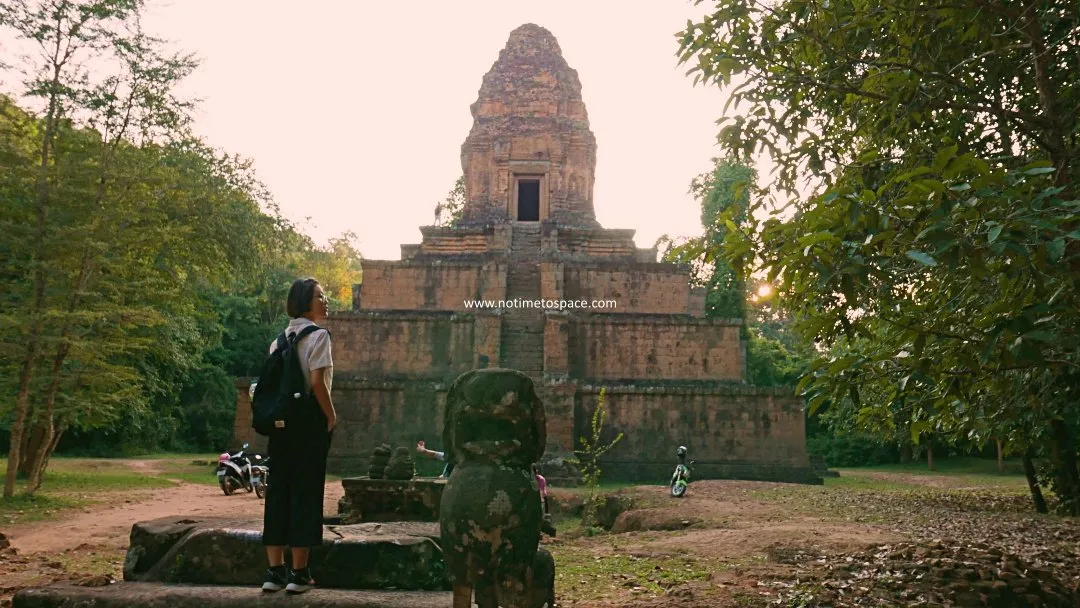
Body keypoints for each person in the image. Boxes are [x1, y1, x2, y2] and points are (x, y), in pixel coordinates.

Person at [261, 278, 337, 594]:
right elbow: (317, 382)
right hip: (308, 423)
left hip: (280, 426)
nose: (326, 300)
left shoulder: (278, 341)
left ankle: (274, 571)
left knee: (278, 491)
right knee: (306, 492)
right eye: (320, 295)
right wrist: (331, 416)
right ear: (306, 301)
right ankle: (299, 573)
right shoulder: (318, 336)